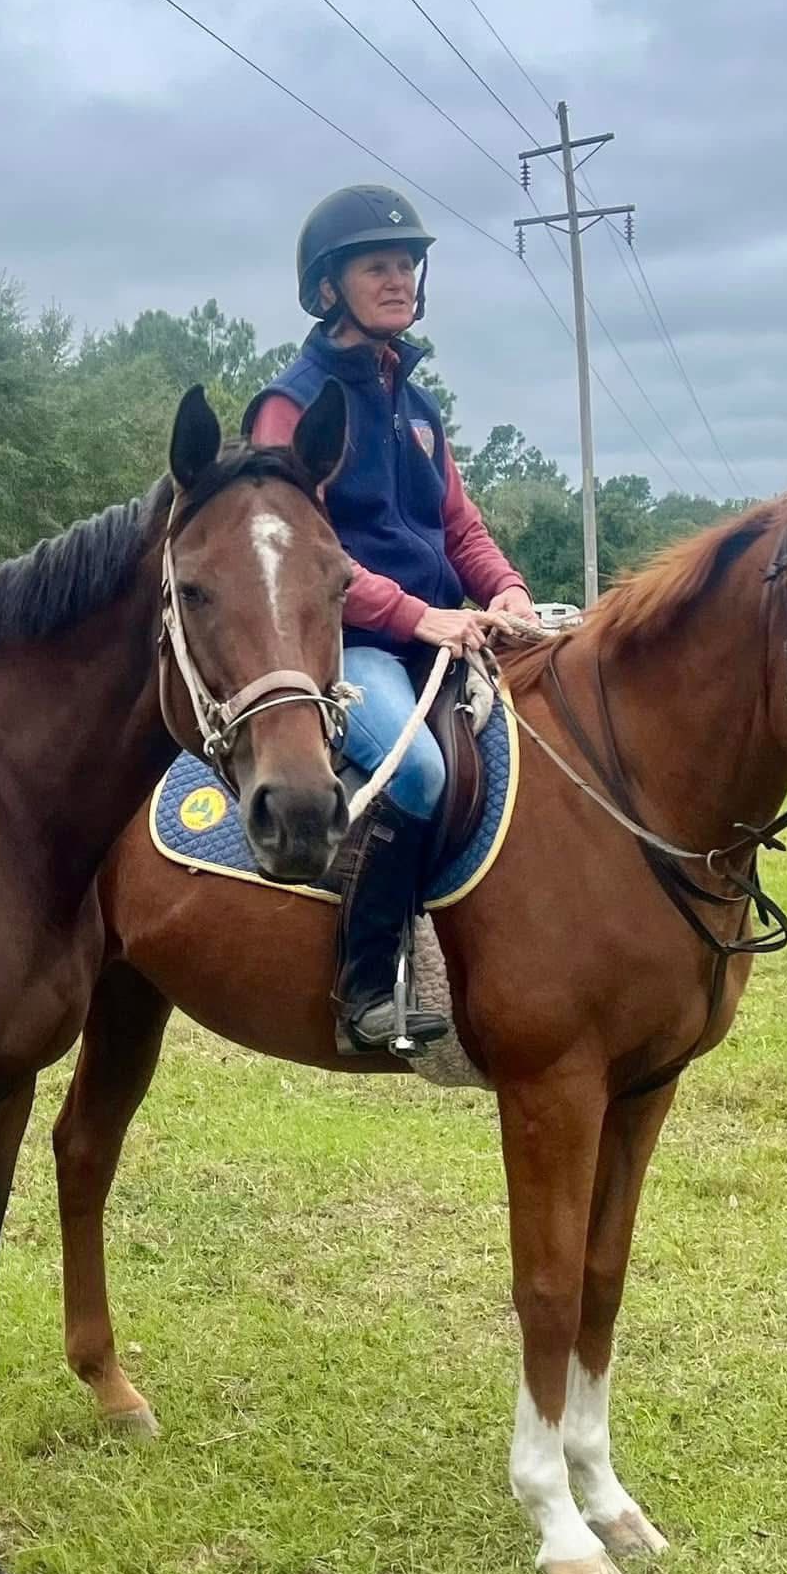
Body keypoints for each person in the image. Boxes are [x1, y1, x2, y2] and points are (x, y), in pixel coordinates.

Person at [242, 183, 535, 1055]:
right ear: (328, 286)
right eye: (378, 264)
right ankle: (367, 989)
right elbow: (297, 555)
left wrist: (507, 590)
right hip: (350, 646)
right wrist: (416, 617)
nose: (400, 277)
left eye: (408, 263)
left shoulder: (417, 405)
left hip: (439, 631)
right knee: (418, 777)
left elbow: (458, 526)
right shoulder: (289, 406)